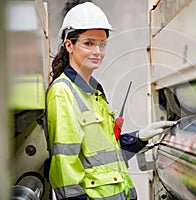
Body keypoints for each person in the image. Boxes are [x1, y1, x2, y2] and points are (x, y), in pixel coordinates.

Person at [46, 2, 175, 200]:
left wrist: (139, 137)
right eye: (88, 43)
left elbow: (107, 157)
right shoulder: (62, 92)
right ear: (69, 45)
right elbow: (64, 170)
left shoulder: (95, 90)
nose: (98, 51)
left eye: (102, 44)